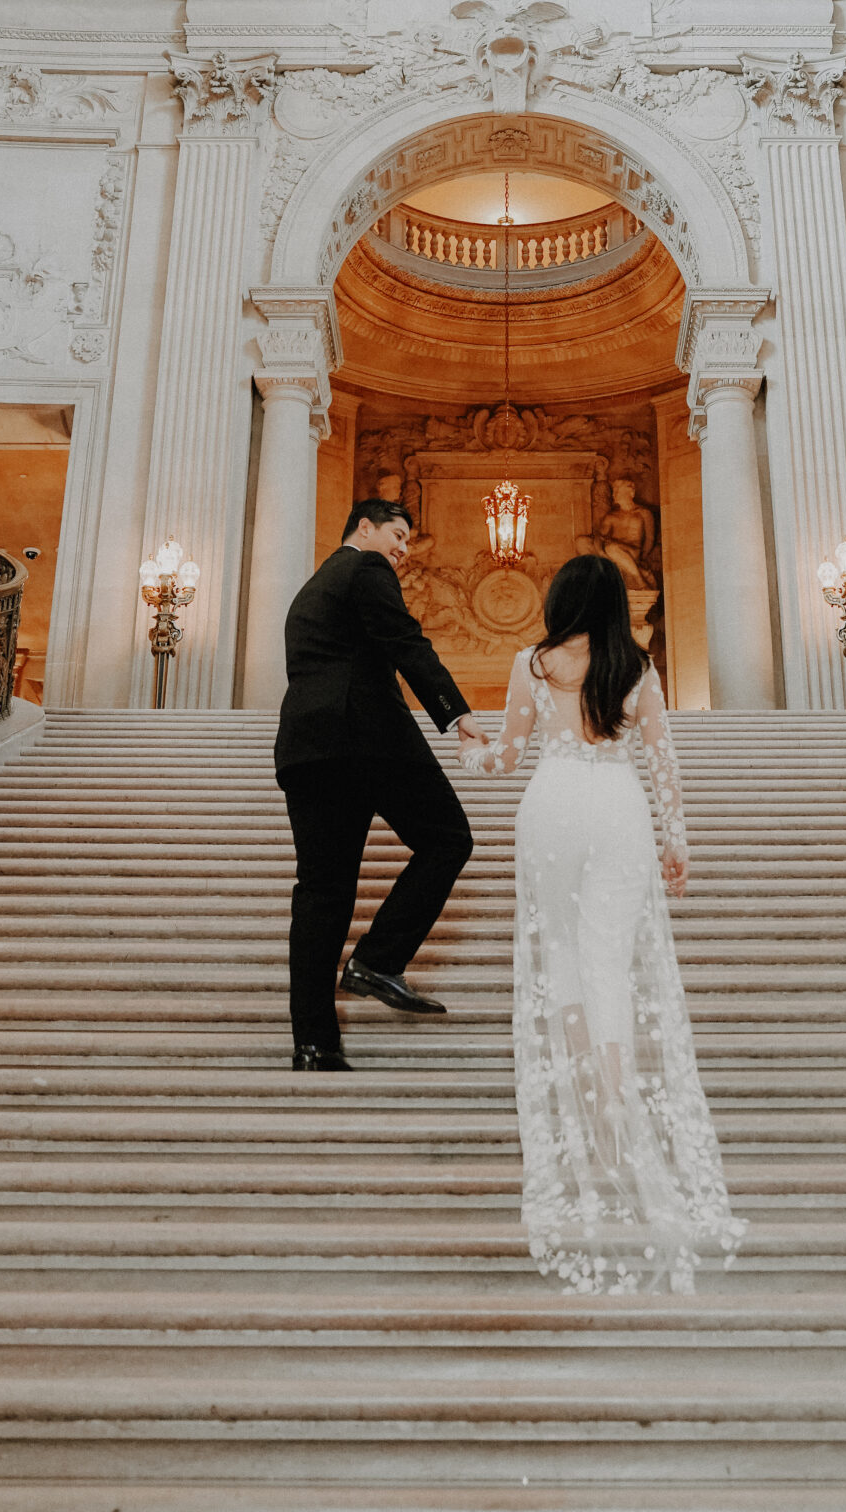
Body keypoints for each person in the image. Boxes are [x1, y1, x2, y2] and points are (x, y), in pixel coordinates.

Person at [462, 552, 743, 1293]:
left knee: (560, 958)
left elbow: (508, 756)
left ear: (558, 597)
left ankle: (584, 1101)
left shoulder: (533, 661)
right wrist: (675, 841)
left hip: (551, 806)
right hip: (618, 808)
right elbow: (663, 762)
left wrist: (468, 754)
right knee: (609, 960)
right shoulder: (636, 665)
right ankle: (617, 1104)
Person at [276, 497, 484, 1072]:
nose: (403, 549)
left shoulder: (311, 588)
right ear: (363, 528)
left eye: (408, 542)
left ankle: (314, 1043)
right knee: (449, 838)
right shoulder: (365, 568)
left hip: (306, 750)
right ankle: (375, 960)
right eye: (397, 534)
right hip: (366, 738)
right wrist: (456, 713)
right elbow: (405, 642)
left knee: (322, 893)